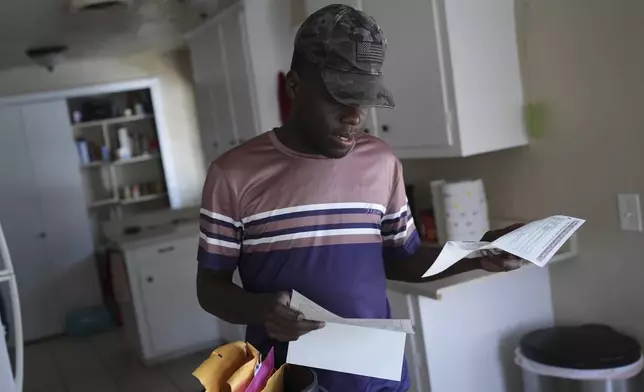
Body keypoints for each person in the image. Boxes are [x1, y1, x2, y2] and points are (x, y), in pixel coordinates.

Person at [197, 4, 520, 391]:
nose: (354, 116)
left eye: (364, 99)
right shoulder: (233, 175)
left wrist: (478, 253)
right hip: (291, 381)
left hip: (378, 376)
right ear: (295, 86)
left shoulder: (381, 162)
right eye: (338, 98)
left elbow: (403, 259)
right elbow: (210, 287)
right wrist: (261, 310)